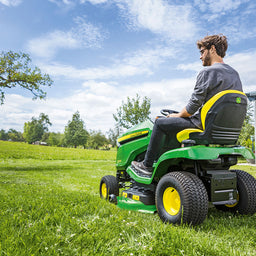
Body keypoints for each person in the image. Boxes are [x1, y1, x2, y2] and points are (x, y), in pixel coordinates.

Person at [131, 34, 243, 175]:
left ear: (212, 49)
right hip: (225, 129)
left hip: (202, 125)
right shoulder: (235, 74)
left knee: (160, 123)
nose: (200, 57)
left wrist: (176, 115)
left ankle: (146, 165)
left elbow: (192, 107)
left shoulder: (208, 72)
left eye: (202, 52)